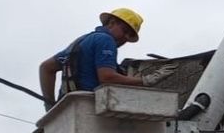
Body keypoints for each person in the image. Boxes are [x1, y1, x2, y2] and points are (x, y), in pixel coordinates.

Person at [38, 8, 177, 111]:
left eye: (130, 36)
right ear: (111, 23)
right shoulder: (105, 40)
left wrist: (50, 106)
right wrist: (145, 80)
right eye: (125, 31)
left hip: (69, 108)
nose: (126, 38)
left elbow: (45, 68)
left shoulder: (83, 41)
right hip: (90, 109)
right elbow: (107, 77)